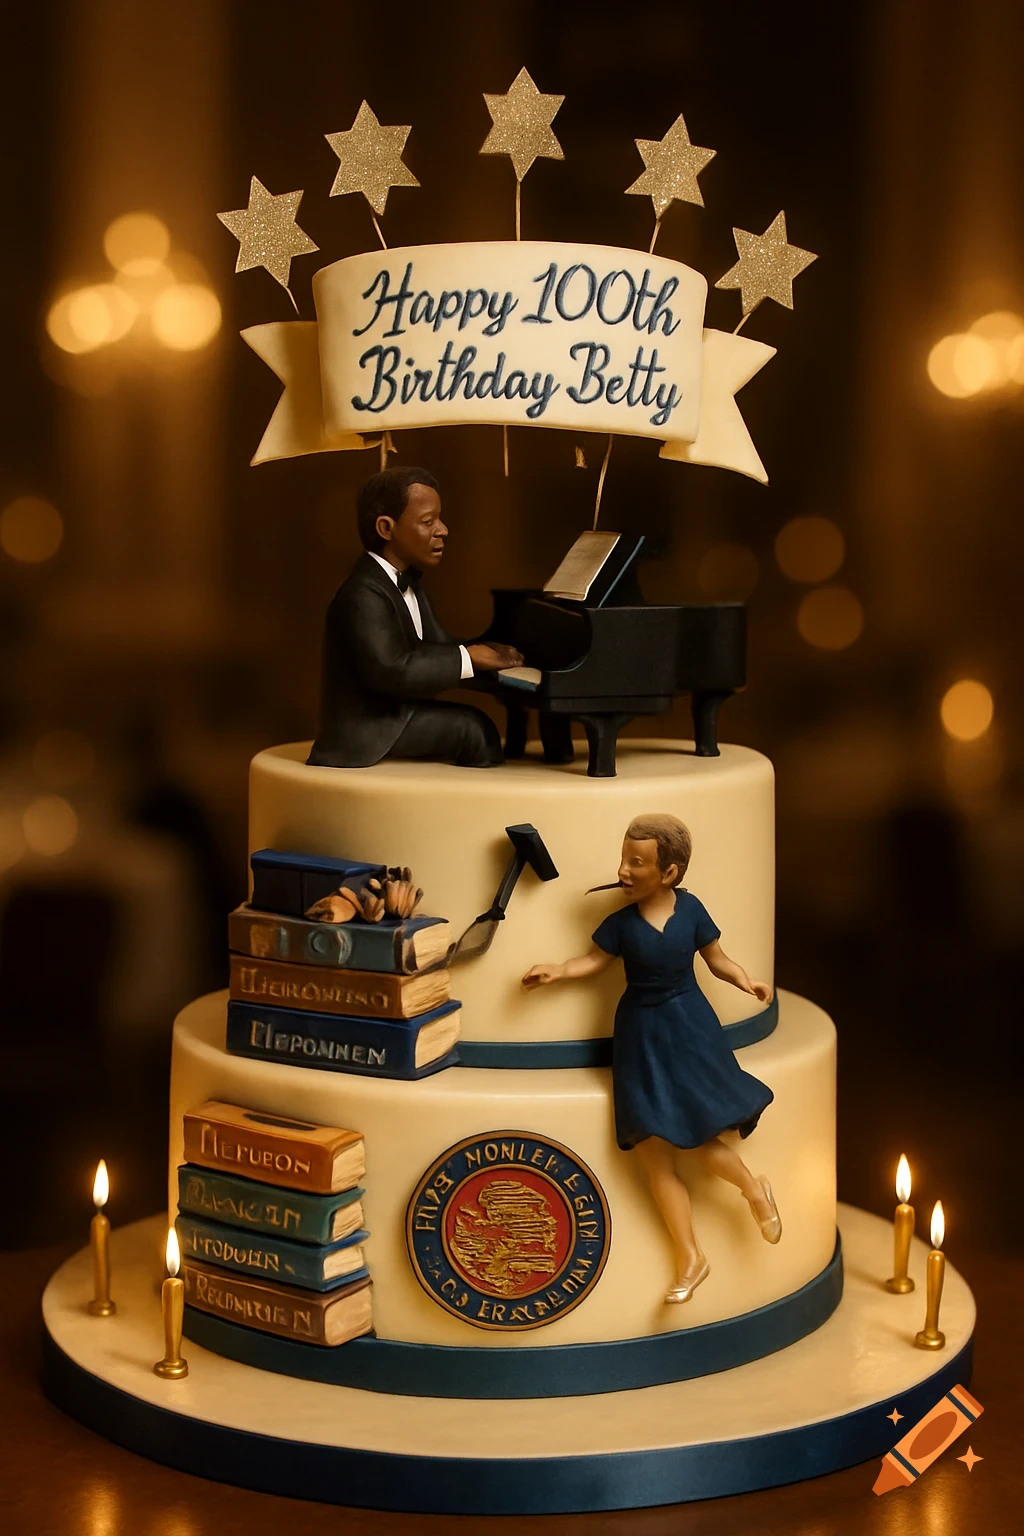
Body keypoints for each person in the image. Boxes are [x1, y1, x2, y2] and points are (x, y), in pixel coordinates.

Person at [522, 813, 780, 1305]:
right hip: (640, 1038)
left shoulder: (692, 910)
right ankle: (690, 1257)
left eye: (637, 862)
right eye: (623, 859)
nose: (623, 870)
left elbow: (717, 959)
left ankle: (753, 1189)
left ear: (670, 872)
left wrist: (747, 980)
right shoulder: (621, 924)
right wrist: (557, 971)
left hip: (688, 1029)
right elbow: (592, 961)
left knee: (696, 1135)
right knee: (653, 1152)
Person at [308, 467, 523, 769]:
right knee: (474, 729)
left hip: (397, 712)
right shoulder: (362, 593)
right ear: (386, 528)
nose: (443, 530)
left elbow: (436, 648)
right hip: (368, 729)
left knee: (477, 726)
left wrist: (491, 658)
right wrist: (469, 658)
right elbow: (392, 671)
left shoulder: (411, 583)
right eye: (427, 521)